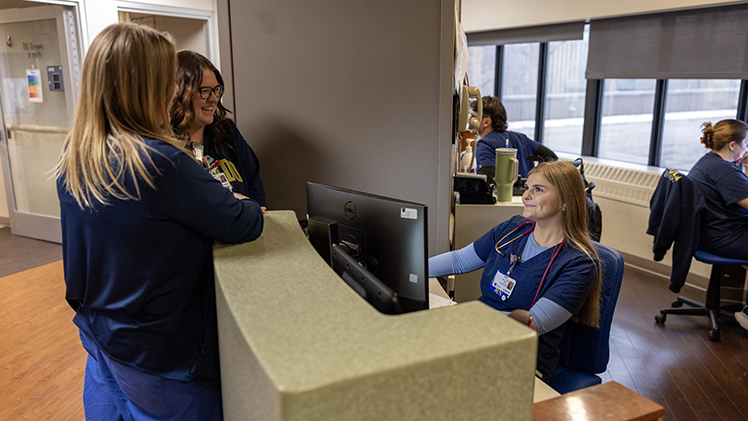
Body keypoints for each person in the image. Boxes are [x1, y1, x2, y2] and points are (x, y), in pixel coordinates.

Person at [54, 23, 264, 420]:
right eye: (168, 78)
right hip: (157, 352)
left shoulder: (77, 155)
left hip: (100, 333)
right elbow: (242, 222)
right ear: (149, 85)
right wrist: (239, 202)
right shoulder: (161, 163)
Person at [429, 161, 601, 379]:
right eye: (527, 187)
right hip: (472, 333)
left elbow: (531, 323)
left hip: (521, 355)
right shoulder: (513, 228)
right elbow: (459, 260)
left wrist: (459, 318)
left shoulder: (579, 263)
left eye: (538, 189)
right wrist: (413, 269)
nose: (526, 195)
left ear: (566, 201)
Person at [171, 50, 266, 211]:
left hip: (243, 231)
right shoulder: (162, 145)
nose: (214, 98)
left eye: (216, 89)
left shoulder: (227, 133)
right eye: (204, 90)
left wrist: (255, 216)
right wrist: (232, 200)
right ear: (181, 94)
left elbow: (254, 185)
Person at [688, 119, 748, 331]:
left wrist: (744, 165)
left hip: (710, 233)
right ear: (733, 145)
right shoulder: (725, 172)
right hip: (721, 237)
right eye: (746, 143)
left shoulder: (709, 162)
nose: (747, 148)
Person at [471, 96, 557, 184]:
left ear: (486, 122)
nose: (468, 119)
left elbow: (486, 181)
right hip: (527, 193)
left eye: (473, 117)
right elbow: (551, 157)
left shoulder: (485, 144)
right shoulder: (521, 138)